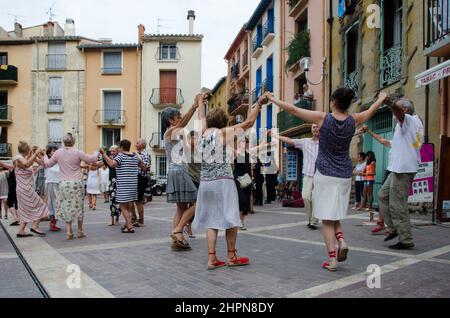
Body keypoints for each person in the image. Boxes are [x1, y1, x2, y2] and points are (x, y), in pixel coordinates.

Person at [264, 89, 388, 271]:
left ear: (333, 102)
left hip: (325, 175)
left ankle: (332, 260)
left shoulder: (324, 119)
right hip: (344, 174)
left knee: (326, 218)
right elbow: (371, 111)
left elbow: (294, 110)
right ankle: (342, 240)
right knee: (334, 213)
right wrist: (382, 98)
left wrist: (274, 99)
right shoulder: (353, 120)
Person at [193, 92, 265, 270]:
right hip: (222, 182)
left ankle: (212, 258)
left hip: (205, 183)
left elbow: (201, 116)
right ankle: (232, 255)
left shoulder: (202, 133)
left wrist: (201, 102)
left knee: (212, 220)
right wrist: (259, 105)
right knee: (231, 217)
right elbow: (248, 123)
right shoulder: (222, 133)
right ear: (223, 122)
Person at [377, 97, 424, 250]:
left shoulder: (409, 120)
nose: (392, 111)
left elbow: (400, 114)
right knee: (382, 196)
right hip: (397, 169)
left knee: (398, 204)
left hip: (404, 169)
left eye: (395, 108)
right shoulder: (403, 126)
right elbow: (388, 142)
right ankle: (394, 228)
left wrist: (389, 103)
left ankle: (406, 239)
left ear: (403, 110)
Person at [43, 133, 100, 240]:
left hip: (64, 183)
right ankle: (79, 230)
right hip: (76, 182)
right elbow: (92, 159)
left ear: (63, 141)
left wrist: (44, 156)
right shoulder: (77, 152)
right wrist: (97, 151)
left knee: (67, 206)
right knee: (79, 206)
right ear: (73, 141)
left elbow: (47, 164)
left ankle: (69, 231)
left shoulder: (58, 153)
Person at [163, 96, 201, 251]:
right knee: (198, 202)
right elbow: (184, 123)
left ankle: (177, 239)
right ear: (171, 120)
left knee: (180, 207)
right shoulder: (171, 131)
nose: (180, 119)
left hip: (176, 171)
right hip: (179, 171)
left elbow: (187, 150)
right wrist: (194, 105)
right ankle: (178, 230)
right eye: (178, 117)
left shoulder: (173, 134)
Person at [272, 124, 320, 230]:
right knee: (306, 197)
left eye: (318, 127)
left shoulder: (325, 143)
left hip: (320, 176)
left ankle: (313, 221)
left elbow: (339, 139)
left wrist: (358, 131)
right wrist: (275, 136)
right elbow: (289, 140)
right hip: (308, 175)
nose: (316, 129)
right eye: (314, 127)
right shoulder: (305, 142)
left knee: (316, 199)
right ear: (311, 130)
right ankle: (310, 218)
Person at [100, 140, 147, 234]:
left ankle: (129, 226)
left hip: (123, 185)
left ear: (121, 147)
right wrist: (139, 158)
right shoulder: (134, 156)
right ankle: (126, 224)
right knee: (129, 205)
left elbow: (112, 164)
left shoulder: (121, 156)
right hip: (133, 185)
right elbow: (144, 168)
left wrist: (104, 154)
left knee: (122, 205)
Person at [13, 141, 49, 238]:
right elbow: (27, 164)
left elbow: (43, 163)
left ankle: (21, 230)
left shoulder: (25, 158)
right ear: (26, 149)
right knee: (41, 205)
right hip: (25, 189)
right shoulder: (18, 159)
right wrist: (35, 153)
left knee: (24, 209)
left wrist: (41, 155)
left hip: (25, 188)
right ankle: (35, 226)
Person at [184, 130, 202, 239]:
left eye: (196, 138)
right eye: (192, 138)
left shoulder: (200, 151)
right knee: (193, 204)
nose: (194, 140)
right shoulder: (186, 150)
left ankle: (187, 225)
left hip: (199, 180)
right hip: (189, 180)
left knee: (194, 206)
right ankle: (185, 226)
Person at [129, 139, 151, 228]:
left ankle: (141, 220)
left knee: (138, 200)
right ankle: (134, 218)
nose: (135, 144)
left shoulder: (144, 154)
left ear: (142, 145)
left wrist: (137, 158)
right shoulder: (138, 153)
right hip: (136, 177)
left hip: (141, 178)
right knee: (131, 199)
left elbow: (145, 167)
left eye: (137, 143)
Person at [233, 137, 252, 231]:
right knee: (242, 200)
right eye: (244, 141)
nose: (246, 143)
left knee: (246, 202)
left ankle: (241, 222)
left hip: (247, 180)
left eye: (247, 142)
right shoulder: (236, 153)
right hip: (238, 179)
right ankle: (236, 220)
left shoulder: (248, 154)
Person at [44, 144, 61, 232]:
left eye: (56, 150)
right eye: (53, 151)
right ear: (49, 153)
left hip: (58, 184)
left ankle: (54, 223)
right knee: (52, 205)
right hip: (51, 183)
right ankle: (52, 223)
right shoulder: (47, 160)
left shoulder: (58, 161)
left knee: (58, 205)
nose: (55, 152)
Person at [106, 146, 121, 226]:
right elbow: (100, 163)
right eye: (111, 151)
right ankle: (112, 219)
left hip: (119, 181)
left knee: (118, 201)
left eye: (114, 151)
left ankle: (117, 218)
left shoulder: (119, 159)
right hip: (112, 182)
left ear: (117, 151)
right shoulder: (109, 159)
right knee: (112, 200)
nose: (112, 152)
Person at [360, 151, 376, 220]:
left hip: (370, 179)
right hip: (366, 179)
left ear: (370, 156)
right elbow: (365, 171)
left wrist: (365, 174)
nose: (366, 157)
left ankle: (370, 207)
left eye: (367, 156)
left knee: (370, 193)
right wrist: (363, 173)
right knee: (364, 193)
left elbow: (373, 173)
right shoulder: (367, 163)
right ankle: (362, 206)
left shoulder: (373, 163)